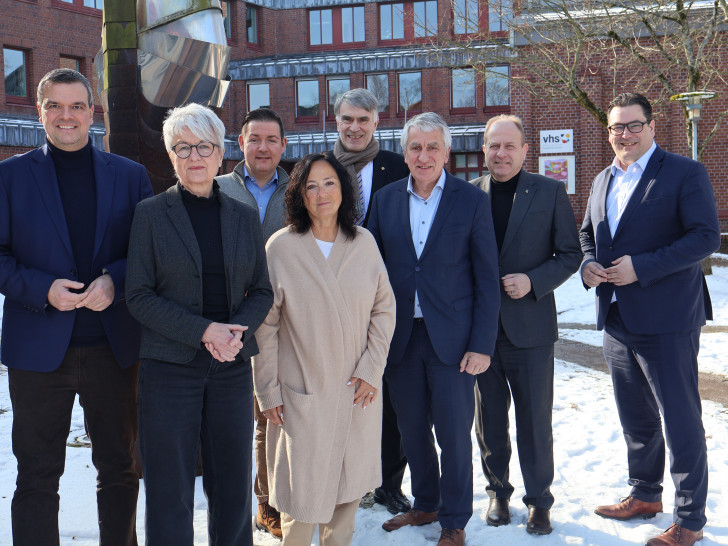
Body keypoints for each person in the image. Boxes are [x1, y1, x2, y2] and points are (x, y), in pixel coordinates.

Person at [0, 68, 153, 545]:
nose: (66, 116)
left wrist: (116, 280)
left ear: (93, 112)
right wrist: (42, 289)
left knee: (120, 468)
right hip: (38, 349)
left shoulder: (130, 176)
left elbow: (150, 252)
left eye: (76, 106)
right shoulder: (9, 177)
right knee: (37, 476)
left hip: (112, 347)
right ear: (39, 110)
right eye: (55, 106)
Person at [125, 103, 273, 545]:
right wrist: (203, 331)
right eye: (183, 147)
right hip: (169, 369)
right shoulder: (150, 214)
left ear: (221, 151)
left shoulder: (244, 216)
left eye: (204, 146)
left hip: (229, 368)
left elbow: (261, 291)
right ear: (171, 156)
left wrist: (234, 333)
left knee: (231, 484)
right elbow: (137, 295)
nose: (194, 156)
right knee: (169, 488)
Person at [580, 92, 720, 546]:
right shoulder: (602, 178)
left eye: (633, 125)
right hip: (617, 318)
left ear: (653, 126)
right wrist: (587, 266)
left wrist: (642, 267)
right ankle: (644, 495)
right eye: (616, 127)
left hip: (667, 319)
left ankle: (690, 518)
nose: (624, 134)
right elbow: (587, 234)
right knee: (635, 416)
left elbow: (704, 237)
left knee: (680, 418)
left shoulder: (683, 172)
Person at [368, 112, 500, 546]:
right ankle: (425, 502)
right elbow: (371, 272)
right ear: (404, 153)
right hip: (400, 338)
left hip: (455, 342)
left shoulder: (471, 200)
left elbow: (486, 277)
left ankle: (455, 520)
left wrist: (482, 344)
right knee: (410, 429)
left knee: (453, 435)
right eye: (415, 147)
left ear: (446, 152)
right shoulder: (385, 200)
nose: (423, 156)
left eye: (432, 147)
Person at [253, 152, 396, 546]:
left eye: (329, 183)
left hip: (356, 391)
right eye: (311, 185)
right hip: (302, 394)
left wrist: (372, 368)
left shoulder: (364, 243)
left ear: (343, 189)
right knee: (299, 505)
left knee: (345, 505)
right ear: (298, 194)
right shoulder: (281, 248)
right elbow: (264, 326)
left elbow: (385, 309)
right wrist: (266, 389)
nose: (321, 193)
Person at [471, 115, 582, 536]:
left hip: (531, 330)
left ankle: (539, 501)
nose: (501, 153)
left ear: (524, 150)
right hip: (481, 332)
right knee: (489, 421)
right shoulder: (469, 194)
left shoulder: (550, 191)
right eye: (493, 146)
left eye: (509, 146)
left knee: (535, 421)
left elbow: (569, 254)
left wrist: (533, 280)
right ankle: (498, 493)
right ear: (484, 148)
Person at [331, 88, 411, 515]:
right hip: (334, 300)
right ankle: (344, 477)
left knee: (387, 392)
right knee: (340, 389)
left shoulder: (399, 169)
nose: (355, 127)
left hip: (385, 296)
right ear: (337, 122)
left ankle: (389, 482)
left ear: (377, 122)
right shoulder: (319, 170)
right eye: (347, 119)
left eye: (363, 119)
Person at [215, 107, 289, 538]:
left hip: (281, 318)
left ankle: (268, 502)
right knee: (230, 416)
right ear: (239, 144)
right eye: (254, 139)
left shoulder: (297, 190)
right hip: (225, 318)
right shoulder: (218, 186)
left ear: (283, 145)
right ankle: (235, 501)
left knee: (268, 412)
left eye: (271, 140)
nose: (263, 147)